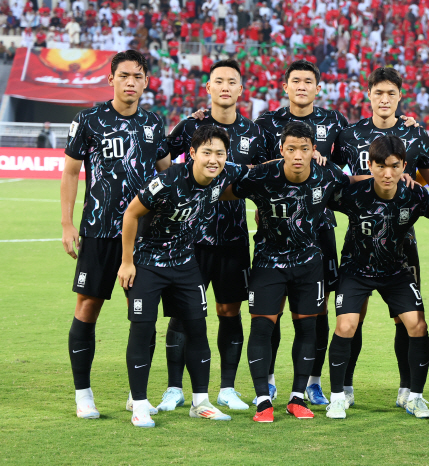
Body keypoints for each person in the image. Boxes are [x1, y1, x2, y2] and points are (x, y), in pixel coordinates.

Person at [60, 50, 170, 420]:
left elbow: (166, 174)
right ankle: (83, 394)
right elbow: (72, 172)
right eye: (123, 75)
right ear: (111, 79)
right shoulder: (89, 120)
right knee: (88, 308)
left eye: (137, 76)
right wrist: (67, 223)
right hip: (99, 232)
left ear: (146, 82)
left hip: (145, 235)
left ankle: (135, 395)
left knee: (142, 314)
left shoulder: (154, 124)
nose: (130, 82)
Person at [157, 59, 268, 413]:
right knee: (182, 314)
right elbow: (162, 155)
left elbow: (267, 176)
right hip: (189, 239)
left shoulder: (254, 133)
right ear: (208, 87)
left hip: (233, 238)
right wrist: (175, 191)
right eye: (217, 81)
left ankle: (227, 389)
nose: (224, 87)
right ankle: (174, 388)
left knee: (229, 311)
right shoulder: (192, 125)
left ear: (240, 89)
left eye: (231, 81)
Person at [117, 125, 246, 427]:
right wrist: (126, 262)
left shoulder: (224, 174)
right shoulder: (167, 180)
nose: (214, 159)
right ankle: (139, 404)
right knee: (142, 331)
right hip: (148, 263)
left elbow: (258, 169)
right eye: (207, 153)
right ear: (192, 154)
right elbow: (131, 214)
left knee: (198, 330)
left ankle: (200, 402)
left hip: (186, 264)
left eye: (220, 153)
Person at [333, 66, 429, 409]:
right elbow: (334, 178)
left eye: (390, 94)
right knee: (354, 317)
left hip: (401, 244)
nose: (384, 99)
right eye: (378, 93)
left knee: (407, 319)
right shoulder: (350, 135)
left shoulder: (415, 135)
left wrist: (415, 185)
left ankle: (408, 391)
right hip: (360, 241)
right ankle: (344, 389)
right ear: (369, 95)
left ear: (400, 96)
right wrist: (361, 180)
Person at [231, 121, 355, 422]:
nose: (297, 155)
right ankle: (263, 400)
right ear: (281, 151)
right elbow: (224, 189)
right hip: (267, 263)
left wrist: (397, 176)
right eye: (290, 149)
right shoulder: (261, 175)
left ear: (314, 150)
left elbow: (359, 185)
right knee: (262, 328)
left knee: (307, 329)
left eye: (304, 149)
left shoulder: (327, 175)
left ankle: (298, 397)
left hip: (308, 264)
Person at [325, 135, 429, 420]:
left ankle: (415, 397)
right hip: (355, 270)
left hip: (397, 271)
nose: (388, 174)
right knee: (347, 325)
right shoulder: (352, 193)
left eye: (395, 166)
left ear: (404, 166)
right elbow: (315, 193)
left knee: (418, 326)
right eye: (381, 166)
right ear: (370, 165)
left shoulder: (416, 194)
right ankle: (338, 397)